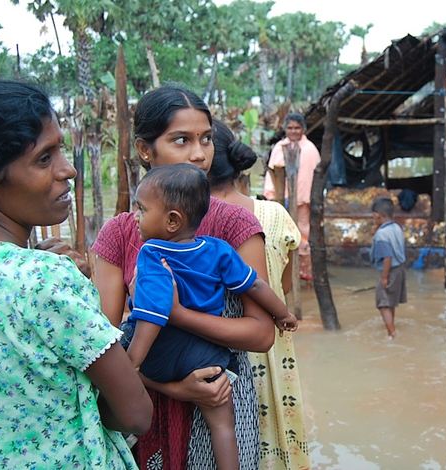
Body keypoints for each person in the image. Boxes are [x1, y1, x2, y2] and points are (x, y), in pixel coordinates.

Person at [0, 79, 153, 468]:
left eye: (60, 150)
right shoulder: (41, 278)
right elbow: (136, 413)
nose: (67, 169)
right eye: (44, 158)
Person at [92, 84, 275, 470]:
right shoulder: (118, 234)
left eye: (206, 139)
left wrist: (176, 314)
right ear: (145, 150)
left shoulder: (235, 224)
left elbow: (262, 334)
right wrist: (171, 387)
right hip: (142, 398)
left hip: (218, 391)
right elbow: (102, 348)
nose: (199, 153)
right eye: (181, 140)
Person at [127, 164, 297, 470]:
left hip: (163, 350)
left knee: (122, 339)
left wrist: (132, 364)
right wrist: (282, 314)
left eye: (141, 209)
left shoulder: (152, 253)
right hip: (208, 354)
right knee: (223, 425)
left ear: (172, 220)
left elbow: (153, 314)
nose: (135, 217)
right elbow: (256, 284)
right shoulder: (219, 250)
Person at [209, 120, 311, 469]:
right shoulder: (274, 215)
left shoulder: (183, 223)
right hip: (273, 348)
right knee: (274, 438)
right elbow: (280, 280)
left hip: (217, 355)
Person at [263, 112, 321, 280]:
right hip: (281, 199)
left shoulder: (310, 149)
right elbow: (272, 173)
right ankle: (284, 270)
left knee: (304, 232)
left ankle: (303, 272)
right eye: (290, 128)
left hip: (303, 200)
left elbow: (310, 177)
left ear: (303, 129)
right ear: (285, 129)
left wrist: (305, 198)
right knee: (281, 234)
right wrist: (271, 194)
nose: (294, 131)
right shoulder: (279, 147)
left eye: (297, 128)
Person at [370, 196, 407, 340]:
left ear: (376, 215)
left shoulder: (381, 235)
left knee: (383, 303)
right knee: (390, 300)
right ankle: (392, 326)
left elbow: (387, 257)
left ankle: (391, 334)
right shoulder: (396, 227)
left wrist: (384, 277)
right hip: (400, 269)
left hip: (389, 270)